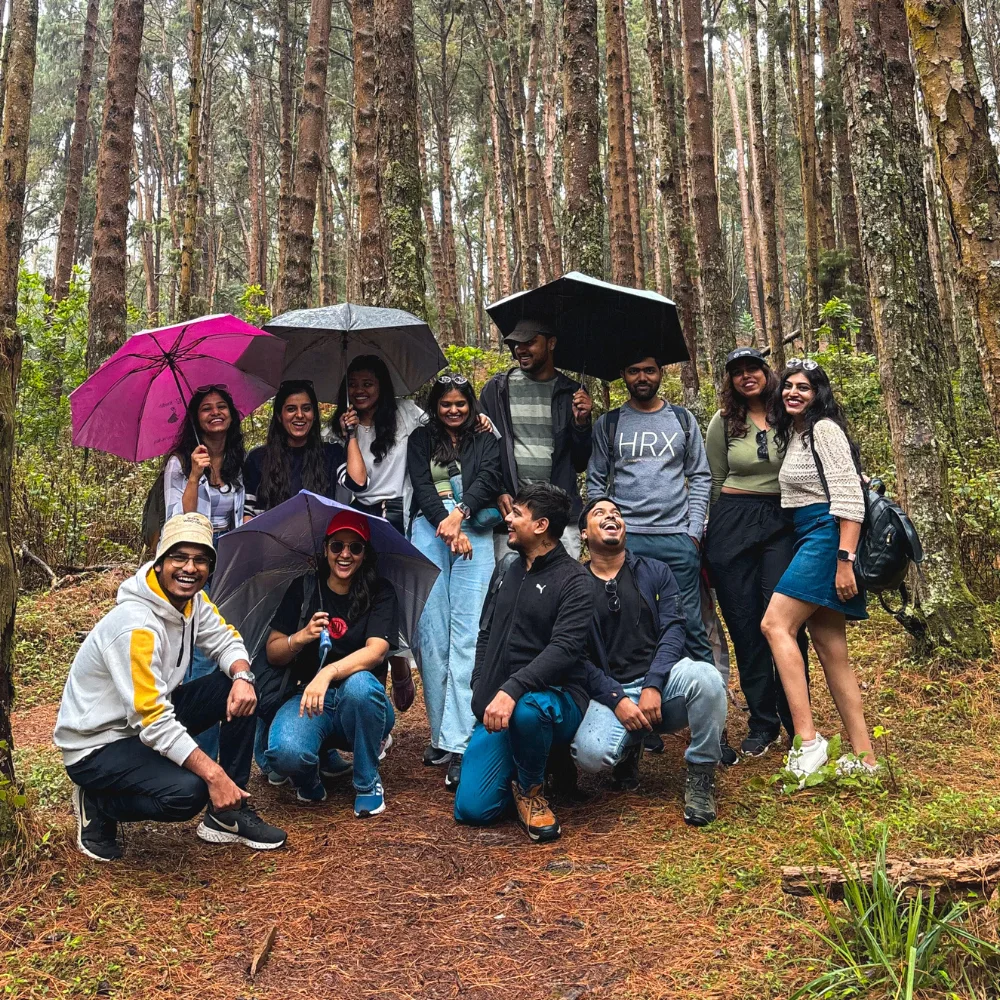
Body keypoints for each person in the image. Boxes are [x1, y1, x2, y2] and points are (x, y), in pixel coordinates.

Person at [54, 513, 287, 861]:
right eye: (179, 557)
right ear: (160, 562)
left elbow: (226, 640)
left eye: (200, 560)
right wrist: (214, 774)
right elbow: (153, 720)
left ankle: (228, 812)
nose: (190, 568)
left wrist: (242, 677)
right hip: (98, 744)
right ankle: (98, 802)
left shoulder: (192, 602)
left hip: (140, 724)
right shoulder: (135, 626)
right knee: (188, 792)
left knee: (238, 687)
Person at [586, 350, 735, 763]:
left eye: (649, 370)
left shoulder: (682, 420)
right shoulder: (609, 423)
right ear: (623, 375)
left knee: (693, 627)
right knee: (633, 628)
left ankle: (712, 726)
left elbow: (700, 476)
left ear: (660, 373)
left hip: (676, 539)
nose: (642, 377)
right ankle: (643, 724)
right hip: (627, 542)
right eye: (634, 370)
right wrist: (605, 532)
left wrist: (693, 532)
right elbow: (596, 480)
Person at [571, 497, 727, 826]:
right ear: (584, 533)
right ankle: (630, 745)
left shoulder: (655, 571)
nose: (611, 516)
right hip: (611, 691)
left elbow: (674, 628)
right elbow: (576, 657)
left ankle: (701, 774)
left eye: (616, 513)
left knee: (708, 678)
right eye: (599, 513)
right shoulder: (574, 585)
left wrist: (653, 684)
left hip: (663, 682)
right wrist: (617, 699)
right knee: (591, 755)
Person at [453, 483, 592, 843]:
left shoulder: (574, 580)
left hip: (555, 700)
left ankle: (532, 789)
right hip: (501, 704)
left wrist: (512, 689)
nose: (509, 519)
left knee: (530, 711)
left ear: (541, 526)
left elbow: (564, 649)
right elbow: (486, 632)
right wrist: (480, 683)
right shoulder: (506, 569)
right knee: (473, 809)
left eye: (517, 514)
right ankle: (533, 759)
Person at [760, 359, 877, 782]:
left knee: (775, 625)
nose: (793, 392)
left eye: (804, 387)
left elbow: (849, 497)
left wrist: (844, 561)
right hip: (809, 533)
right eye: (788, 386)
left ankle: (808, 743)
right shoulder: (797, 434)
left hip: (827, 536)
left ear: (818, 394)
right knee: (831, 650)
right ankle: (866, 759)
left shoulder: (824, 430)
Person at [260, 510, 399, 817]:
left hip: (361, 703)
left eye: (355, 547)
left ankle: (367, 782)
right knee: (285, 754)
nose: (345, 554)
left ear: (365, 554)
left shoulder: (380, 592)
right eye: (337, 546)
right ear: (325, 549)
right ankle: (311, 779)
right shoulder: (305, 588)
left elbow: (376, 651)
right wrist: (301, 636)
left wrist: (327, 673)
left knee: (360, 686)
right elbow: (273, 651)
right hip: (310, 700)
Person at [703, 347, 807, 756]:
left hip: (782, 521)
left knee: (782, 621)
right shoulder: (724, 421)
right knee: (744, 624)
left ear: (767, 372)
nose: (746, 376)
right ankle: (763, 723)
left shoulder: (789, 414)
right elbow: (714, 478)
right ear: (730, 381)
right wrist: (711, 532)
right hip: (733, 521)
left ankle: (798, 721)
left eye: (753, 369)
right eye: (738, 372)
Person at [408, 375, 502, 792]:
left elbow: (490, 478)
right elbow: (422, 484)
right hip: (429, 531)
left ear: (470, 404)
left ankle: (460, 741)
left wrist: (459, 515)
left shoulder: (484, 435)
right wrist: (445, 525)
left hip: (474, 529)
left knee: (467, 635)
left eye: (460, 403)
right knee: (432, 635)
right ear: (435, 405)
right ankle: (440, 734)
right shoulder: (420, 438)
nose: (453, 410)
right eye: (445, 404)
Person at [162, 385, 248, 761]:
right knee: (200, 657)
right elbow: (178, 521)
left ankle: (219, 751)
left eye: (221, 406)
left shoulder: (237, 461)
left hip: (231, 562)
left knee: (229, 648)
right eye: (206, 408)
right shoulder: (180, 462)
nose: (215, 413)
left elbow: (241, 512)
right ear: (196, 419)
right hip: (196, 562)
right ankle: (200, 757)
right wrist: (195, 476)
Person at [478, 318, 593, 561]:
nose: (521, 349)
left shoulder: (571, 393)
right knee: (510, 580)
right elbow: (482, 450)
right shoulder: (497, 390)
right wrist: (498, 490)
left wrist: (582, 423)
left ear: (551, 343)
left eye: (529, 342)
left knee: (562, 581)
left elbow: (580, 461)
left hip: (559, 515)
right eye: (516, 344)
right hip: (512, 513)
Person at [243, 379, 346, 517]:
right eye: (291, 409)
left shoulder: (332, 453)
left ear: (314, 415)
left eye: (306, 409)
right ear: (279, 416)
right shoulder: (257, 458)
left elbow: (358, 484)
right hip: (271, 529)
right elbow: (248, 512)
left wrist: (351, 435)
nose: (299, 415)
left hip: (319, 529)